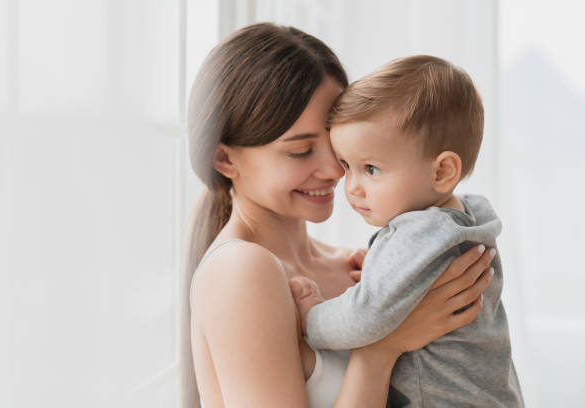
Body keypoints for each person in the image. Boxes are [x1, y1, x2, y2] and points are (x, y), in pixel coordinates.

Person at [182, 24, 496, 408]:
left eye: (337, 144)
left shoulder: (360, 267)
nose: (335, 170)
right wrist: (383, 349)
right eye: (300, 151)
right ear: (225, 158)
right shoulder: (242, 270)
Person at [292, 55, 524, 407]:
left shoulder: (419, 233)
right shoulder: (464, 221)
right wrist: (380, 268)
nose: (351, 186)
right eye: (346, 166)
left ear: (443, 171)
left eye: (371, 169)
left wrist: (311, 316)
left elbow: (365, 316)